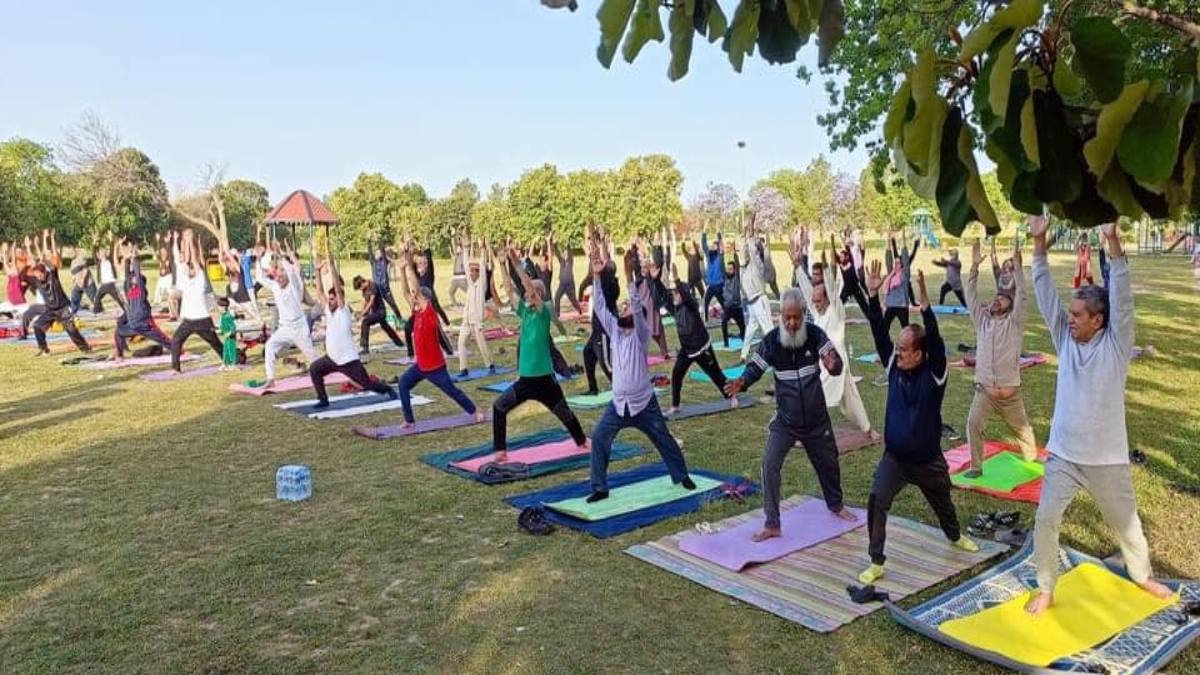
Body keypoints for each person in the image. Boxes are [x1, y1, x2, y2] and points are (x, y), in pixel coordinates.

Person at [1025, 217, 1173, 614]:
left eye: (1078, 315)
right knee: (1045, 520)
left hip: (1107, 460)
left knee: (1128, 526)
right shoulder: (1065, 340)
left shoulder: (1116, 346)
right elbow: (1044, 294)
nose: (1069, 319)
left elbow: (1123, 299)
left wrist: (1113, 241)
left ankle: (1142, 576)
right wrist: (1039, 243)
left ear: (1098, 320)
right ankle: (1046, 588)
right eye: (1070, 313)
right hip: (1063, 457)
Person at [858, 261, 978, 585]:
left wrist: (926, 308)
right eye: (897, 349)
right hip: (895, 459)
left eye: (904, 350)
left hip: (927, 461)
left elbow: (936, 342)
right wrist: (872, 296)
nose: (898, 354)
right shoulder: (894, 367)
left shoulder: (935, 373)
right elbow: (878, 332)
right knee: (877, 499)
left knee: (944, 502)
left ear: (920, 354)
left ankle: (954, 536)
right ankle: (877, 561)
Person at [724, 287, 855, 540]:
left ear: (804, 315)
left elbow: (835, 362)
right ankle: (772, 523)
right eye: (787, 318)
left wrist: (833, 364)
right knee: (769, 464)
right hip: (786, 421)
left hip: (817, 421)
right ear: (780, 316)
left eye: (796, 317)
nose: (792, 323)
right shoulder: (772, 341)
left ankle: (836, 505)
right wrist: (742, 382)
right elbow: (755, 367)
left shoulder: (815, 334)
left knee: (829, 463)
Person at [586, 240, 696, 502]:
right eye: (622, 306)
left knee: (664, 439)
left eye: (626, 307)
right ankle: (599, 488)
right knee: (600, 437)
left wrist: (629, 278)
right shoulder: (615, 332)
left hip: (644, 404)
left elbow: (637, 308)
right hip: (618, 404)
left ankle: (682, 476)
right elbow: (600, 306)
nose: (624, 307)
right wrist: (597, 274)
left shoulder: (641, 335)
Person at [491, 245, 590, 463]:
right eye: (527, 294)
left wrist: (516, 263)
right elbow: (509, 289)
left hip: (545, 381)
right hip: (525, 381)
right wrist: (501, 264)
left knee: (565, 414)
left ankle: (582, 440)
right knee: (499, 407)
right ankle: (500, 451)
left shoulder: (544, 313)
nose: (526, 295)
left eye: (531, 293)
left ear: (538, 296)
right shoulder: (524, 312)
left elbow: (528, 285)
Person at [963, 238, 1036, 477]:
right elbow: (970, 296)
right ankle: (976, 466)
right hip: (985, 392)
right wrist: (974, 267)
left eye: (1002, 299)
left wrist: (1019, 269)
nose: (997, 300)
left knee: (1023, 432)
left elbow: (1023, 295)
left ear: (1010, 305)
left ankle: (1032, 457)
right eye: (996, 297)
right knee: (973, 423)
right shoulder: (982, 322)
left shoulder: (1014, 323)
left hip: (1010, 395)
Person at [387, 250, 483, 426]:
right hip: (421, 365)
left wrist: (410, 267)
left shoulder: (430, 313)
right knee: (403, 384)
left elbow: (414, 288)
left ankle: (475, 411)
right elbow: (405, 292)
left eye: (418, 297)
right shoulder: (416, 312)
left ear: (426, 299)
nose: (414, 299)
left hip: (435, 367)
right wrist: (402, 270)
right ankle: (409, 420)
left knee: (452, 391)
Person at [795, 245, 879, 440]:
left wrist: (826, 269)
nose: (815, 304)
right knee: (829, 397)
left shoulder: (836, 311)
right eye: (814, 301)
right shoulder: (817, 311)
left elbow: (832, 289)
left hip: (837, 363)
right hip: (825, 364)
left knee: (838, 398)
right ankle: (805, 433)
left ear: (827, 299)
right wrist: (798, 266)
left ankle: (867, 429)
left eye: (818, 301)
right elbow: (809, 293)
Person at [309, 246, 397, 409]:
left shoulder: (343, 309)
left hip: (348, 360)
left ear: (340, 298)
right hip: (332, 358)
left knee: (367, 385)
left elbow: (336, 286)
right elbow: (319, 291)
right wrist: (317, 271)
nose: (330, 301)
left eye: (333, 299)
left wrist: (331, 263)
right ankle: (323, 399)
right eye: (330, 299)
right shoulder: (329, 310)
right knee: (314, 369)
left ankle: (387, 389)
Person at [665, 263, 737, 414]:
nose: (674, 296)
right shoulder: (674, 308)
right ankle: (675, 405)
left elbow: (687, 296)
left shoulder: (690, 306)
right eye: (673, 294)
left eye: (676, 293)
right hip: (687, 349)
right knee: (677, 374)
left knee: (715, 373)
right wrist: (655, 280)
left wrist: (678, 281)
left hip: (701, 346)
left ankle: (731, 396)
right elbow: (662, 295)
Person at [257, 240, 321, 388]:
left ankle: (325, 370)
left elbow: (292, 271)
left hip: (299, 327)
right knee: (270, 346)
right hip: (285, 328)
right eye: (277, 276)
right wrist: (259, 259)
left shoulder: (295, 285)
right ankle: (271, 379)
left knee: (311, 355)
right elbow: (260, 278)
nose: (278, 279)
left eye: (281, 276)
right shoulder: (275, 286)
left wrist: (281, 254)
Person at [26, 231, 92, 356]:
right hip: (50, 309)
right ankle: (43, 349)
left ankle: (85, 348)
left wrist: (47, 240)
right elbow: (34, 262)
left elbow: (45, 261)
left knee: (71, 330)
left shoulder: (52, 275)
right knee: (37, 326)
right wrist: (32, 245)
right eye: (36, 276)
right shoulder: (37, 280)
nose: (38, 277)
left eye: (39, 275)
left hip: (62, 308)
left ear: (44, 272)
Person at [169, 230, 225, 372]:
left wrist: (190, 242)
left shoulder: (200, 279)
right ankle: (176, 369)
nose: (189, 269)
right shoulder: (186, 280)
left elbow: (194, 259)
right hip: (188, 320)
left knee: (216, 343)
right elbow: (186, 260)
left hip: (202, 320)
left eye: (191, 268)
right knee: (176, 341)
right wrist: (185, 242)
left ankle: (230, 360)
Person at [111, 240, 172, 361]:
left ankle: (179, 351)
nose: (132, 278)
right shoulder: (129, 288)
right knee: (118, 332)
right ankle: (119, 355)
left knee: (162, 339)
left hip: (144, 323)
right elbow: (128, 274)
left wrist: (134, 257)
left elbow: (137, 273)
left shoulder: (141, 290)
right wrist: (127, 257)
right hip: (133, 324)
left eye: (135, 278)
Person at [455, 237, 496, 377]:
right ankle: (463, 368)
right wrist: (465, 249)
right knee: (461, 342)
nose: (472, 273)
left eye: (475, 271)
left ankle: (490, 365)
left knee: (481, 344)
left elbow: (483, 265)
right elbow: (466, 266)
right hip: (467, 319)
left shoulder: (481, 284)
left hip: (477, 320)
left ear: (479, 273)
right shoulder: (471, 285)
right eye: (472, 271)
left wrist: (483, 249)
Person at [738, 215, 775, 364]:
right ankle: (743, 355)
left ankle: (777, 356)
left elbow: (752, 248)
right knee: (750, 330)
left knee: (768, 330)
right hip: (752, 303)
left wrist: (751, 229)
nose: (745, 253)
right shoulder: (744, 267)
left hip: (760, 300)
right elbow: (743, 248)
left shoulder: (757, 264)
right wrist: (744, 230)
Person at [353, 275, 406, 354]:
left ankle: (364, 347)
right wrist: (361, 312)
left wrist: (363, 314)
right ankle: (399, 342)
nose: (360, 290)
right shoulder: (364, 290)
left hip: (380, 312)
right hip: (375, 313)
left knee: (365, 322)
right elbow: (364, 302)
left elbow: (371, 301)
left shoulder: (373, 285)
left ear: (362, 283)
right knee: (386, 327)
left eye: (360, 288)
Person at [369, 241, 406, 321]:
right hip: (377, 291)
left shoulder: (384, 262)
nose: (378, 254)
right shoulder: (373, 263)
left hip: (386, 290)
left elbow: (382, 250)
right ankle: (368, 320)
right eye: (377, 253)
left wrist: (379, 242)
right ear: (374, 255)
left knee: (393, 305)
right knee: (372, 306)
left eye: (380, 253)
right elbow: (370, 252)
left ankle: (400, 319)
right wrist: (369, 240)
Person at [550, 231, 583, 317]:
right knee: (557, 297)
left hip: (570, 285)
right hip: (562, 285)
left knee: (573, 300)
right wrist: (555, 243)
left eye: (566, 253)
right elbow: (557, 253)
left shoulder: (570, 261)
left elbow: (570, 252)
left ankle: (579, 310)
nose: (565, 255)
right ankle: (557, 313)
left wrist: (568, 242)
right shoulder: (561, 261)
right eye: (564, 253)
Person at [92, 237, 126, 314]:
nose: (101, 254)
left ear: (105, 254)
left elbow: (112, 250)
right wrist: (94, 243)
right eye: (100, 253)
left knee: (118, 299)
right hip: (103, 285)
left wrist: (111, 239)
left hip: (111, 284)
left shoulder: (109, 260)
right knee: (97, 298)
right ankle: (97, 311)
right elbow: (94, 253)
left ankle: (126, 310)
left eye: (103, 253)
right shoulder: (98, 263)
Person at [721, 256, 746, 347]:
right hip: (728, 308)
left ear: (735, 270)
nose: (728, 271)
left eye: (731, 269)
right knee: (723, 324)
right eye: (728, 269)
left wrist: (735, 253)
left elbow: (738, 266)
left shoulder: (737, 278)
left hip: (737, 307)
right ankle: (726, 344)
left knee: (742, 326)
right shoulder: (725, 278)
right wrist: (721, 254)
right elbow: (721, 265)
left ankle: (744, 341)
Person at [701, 224, 725, 318]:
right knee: (706, 302)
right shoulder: (708, 254)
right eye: (713, 246)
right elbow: (704, 244)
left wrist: (718, 231)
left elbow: (721, 244)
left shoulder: (719, 255)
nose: (713, 247)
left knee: (723, 303)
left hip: (718, 285)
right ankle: (706, 319)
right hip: (711, 285)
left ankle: (728, 317)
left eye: (715, 246)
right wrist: (704, 230)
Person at [447, 234, 470, 308]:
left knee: (469, 292)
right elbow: (454, 246)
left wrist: (461, 238)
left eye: (459, 248)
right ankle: (456, 305)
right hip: (455, 278)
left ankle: (472, 303)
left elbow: (464, 245)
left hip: (461, 277)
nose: (457, 249)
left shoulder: (464, 253)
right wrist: (453, 236)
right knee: (451, 292)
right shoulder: (457, 255)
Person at [218, 297, 239, 369]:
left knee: (231, 351)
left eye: (219, 306)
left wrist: (229, 333)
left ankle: (233, 364)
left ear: (223, 307)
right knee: (225, 350)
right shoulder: (223, 316)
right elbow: (223, 325)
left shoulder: (228, 316)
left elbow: (233, 327)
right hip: (226, 337)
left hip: (231, 337)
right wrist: (220, 330)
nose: (218, 308)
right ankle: (225, 363)